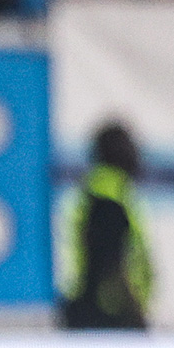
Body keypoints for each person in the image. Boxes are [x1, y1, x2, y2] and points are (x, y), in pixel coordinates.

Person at [60, 122, 153, 330]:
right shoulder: (108, 202)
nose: (137, 154)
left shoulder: (98, 193)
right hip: (106, 318)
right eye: (130, 147)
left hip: (92, 312)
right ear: (117, 153)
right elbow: (109, 263)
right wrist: (132, 311)